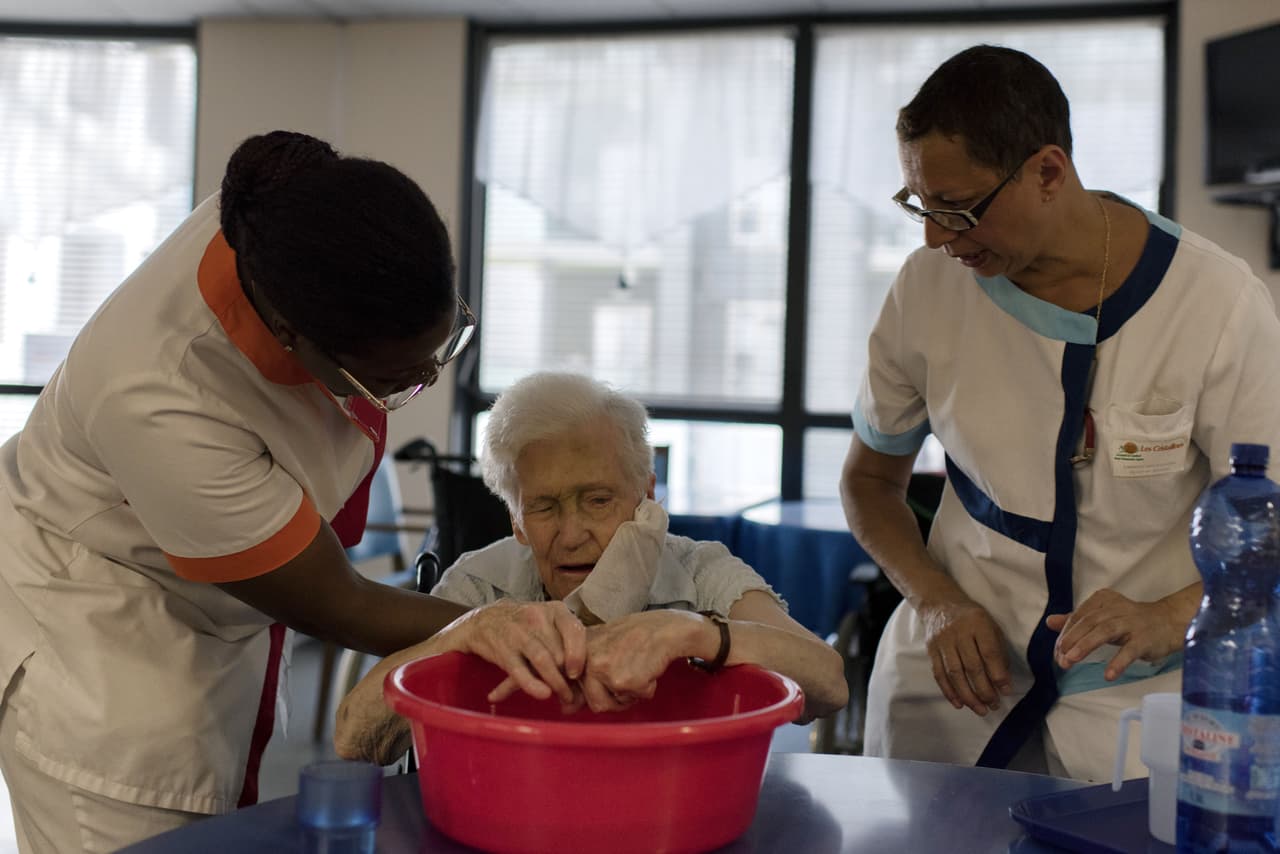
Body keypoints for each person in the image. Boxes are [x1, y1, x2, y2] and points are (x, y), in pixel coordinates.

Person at [0, 131, 587, 853]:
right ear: (289, 334)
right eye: (395, 378)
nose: (426, 381)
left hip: (213, 625)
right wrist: (503, 625)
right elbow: (342, 602)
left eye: (443, 345)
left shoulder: (288, 215)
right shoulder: (158, 399)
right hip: (103, 632)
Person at [839, 45, 1280, 782]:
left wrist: (1173, 615)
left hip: (1136, 689)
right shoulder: (927, 290)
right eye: (920, 205)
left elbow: (1271, 524)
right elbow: (868, 483)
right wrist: (939, 604)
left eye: (960, 209)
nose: (936, 237)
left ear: (1049, 171)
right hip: (956, 680)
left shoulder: (1216, 305)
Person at [334, 371, 847, 765]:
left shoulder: (697, 570)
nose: (573, 532)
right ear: (515, 519)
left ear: (645, 495)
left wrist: (695, 632)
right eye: (544, 507)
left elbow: (829, 683)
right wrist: (461, 634)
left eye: (598, 501)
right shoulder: (479, 586)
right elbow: (354, 741)